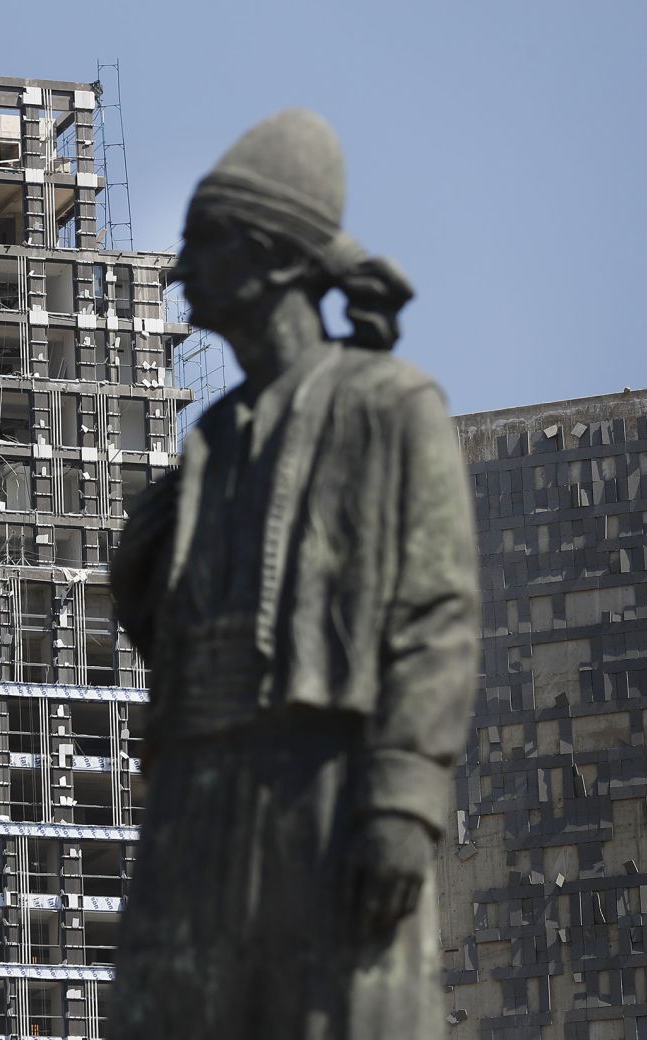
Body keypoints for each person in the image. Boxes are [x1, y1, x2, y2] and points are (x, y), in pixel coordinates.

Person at [108, 108, 480, 1039]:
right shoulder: (214, 438)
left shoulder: (391, 407)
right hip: (198, 786)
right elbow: (169, 628)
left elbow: (436, 612)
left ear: (273, 258)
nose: (182, 269)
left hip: (324, 782)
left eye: (201, 243)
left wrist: (402, 798)